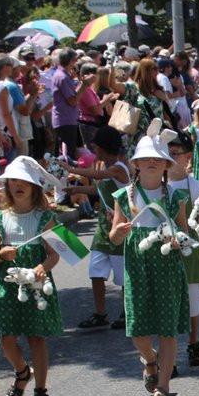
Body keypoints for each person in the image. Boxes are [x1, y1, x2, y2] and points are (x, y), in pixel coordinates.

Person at [108, 120, 191, 396]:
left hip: (167, 265)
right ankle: (150, 360)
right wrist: (119, 233)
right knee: (137, 330)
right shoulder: (124, 196)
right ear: (136, 165)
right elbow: (114, 235)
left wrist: (182, 241)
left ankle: (162, 389)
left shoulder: (176, 197)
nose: (152, 162)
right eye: (146, 159)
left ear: (167, 165)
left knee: (167, 330)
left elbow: (184, 231)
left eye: (158, 158)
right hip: (138, 266)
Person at [0, 156, 63, 396]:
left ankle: (41, 390)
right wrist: (0, 254)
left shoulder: (45, 218)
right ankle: (22, 372)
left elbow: (55, 254)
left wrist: (43, 267)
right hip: (8, 283)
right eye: (13, 181)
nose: (18, 186)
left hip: (35, 285)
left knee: (36, 339)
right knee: (5, 338)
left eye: (24, 182)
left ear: (34, 187)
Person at [67, 126, 130, 330]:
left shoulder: (119, 167)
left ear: (103, 147)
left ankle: (126, 311)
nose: (94, 149)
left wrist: (70, 169)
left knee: (122, 275)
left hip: (119, 227)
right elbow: (98, 188)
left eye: (96, 146)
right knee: (96, 271)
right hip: (104, 227)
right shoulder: (108, 165)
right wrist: (76, 188)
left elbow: (97, 174)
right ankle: (100, 313)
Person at [168, 132, 199, 367]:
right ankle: (168, 354)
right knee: (168, 302)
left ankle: (194, 342)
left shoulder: (194, 185)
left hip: (190, 250)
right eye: (168, 154)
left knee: (193, 302)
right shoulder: (158, 186)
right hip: (164, 250)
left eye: (176, 154)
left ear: (188, 157)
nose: (171, 158)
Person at [52, 48, 94, 162]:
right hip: (65, 120)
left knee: (72, 152)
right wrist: (85, 85)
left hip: (68, 119)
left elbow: (73, 95)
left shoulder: (64, 75)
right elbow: (72, 100)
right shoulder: (62, 77)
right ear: (71, 60)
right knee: (68, 155)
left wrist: (81, 84)